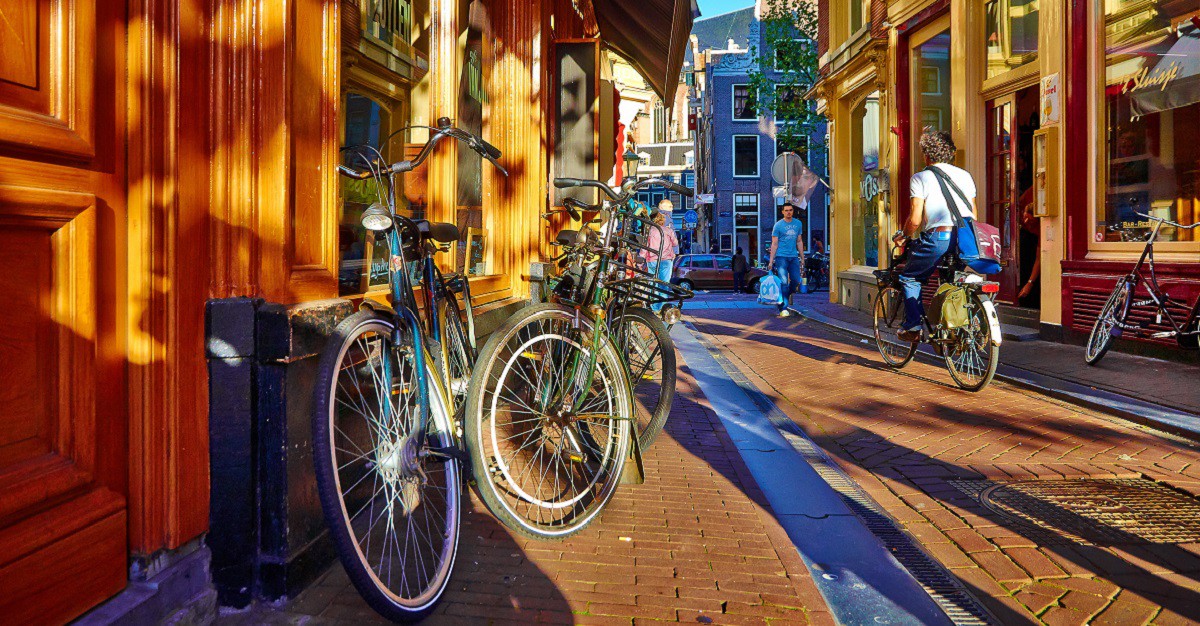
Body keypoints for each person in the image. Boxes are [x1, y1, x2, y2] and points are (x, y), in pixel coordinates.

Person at [893, 128, 977, 342]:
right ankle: (953, 329)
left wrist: (903, 235)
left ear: (926, 155)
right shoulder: (965, 176)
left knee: (910, 276)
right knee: (951, 281)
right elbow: (973, 215)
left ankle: (912, 326)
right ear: (950, 153)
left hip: (939, 237)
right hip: (965, 238)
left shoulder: (921, 177)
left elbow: (915, 220)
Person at [768, 202, 805, 317]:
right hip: (781, 257)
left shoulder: (798, 224)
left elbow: (799, 241)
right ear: (782, 212)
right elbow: (774, 244)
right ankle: (783, 308)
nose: (789, 212)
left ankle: (782, 298)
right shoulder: (778, 225)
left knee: (796, 280)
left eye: (790, 210)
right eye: (786, 210)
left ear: (793, 211)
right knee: (784, 282)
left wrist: (802, 257)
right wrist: (771, 261)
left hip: (793, 256)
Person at [643, 199, 679, 312]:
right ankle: (661, 307)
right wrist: (674, 253)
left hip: (652, 259)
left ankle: (654, 306)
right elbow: (675, 242)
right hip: (665, 259)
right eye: (671, 206)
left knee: (653, 283)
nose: (672, 209)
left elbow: (646, 244)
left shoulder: (651, 229)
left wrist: (641, 257)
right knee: (664, 284)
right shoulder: (669, 226)